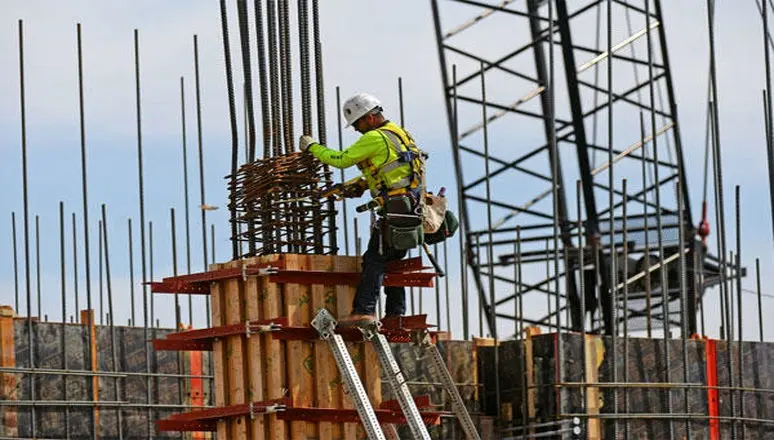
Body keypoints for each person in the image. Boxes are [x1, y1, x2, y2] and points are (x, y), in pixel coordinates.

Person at [299, 92, 425, 327]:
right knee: (393, 262)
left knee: (374, 260)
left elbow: (341, 159)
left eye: (357, 123)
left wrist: (313, 147)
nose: (356, 129)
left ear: (369, 117)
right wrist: (357, 185)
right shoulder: (399, 133)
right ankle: (396, 314)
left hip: (395, 208)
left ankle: (364, 311)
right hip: (410, 208)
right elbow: (394, 170)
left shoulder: (375, 137)